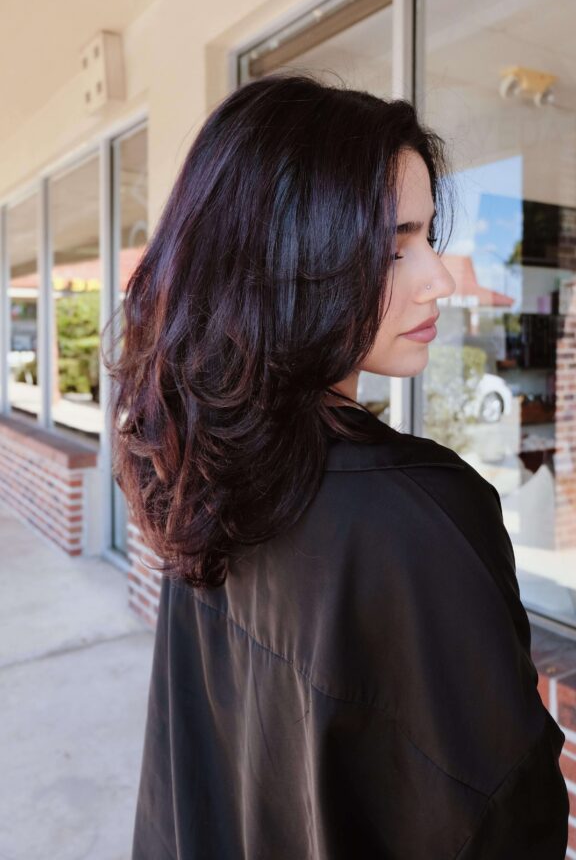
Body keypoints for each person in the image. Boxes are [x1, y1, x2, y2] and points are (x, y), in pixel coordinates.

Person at [103, 72, 569, 859]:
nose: (440, 278)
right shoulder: (417, 521)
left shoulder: (201, 468)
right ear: (284, 257)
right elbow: (505, 820)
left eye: (427, 237)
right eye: (393, 248)